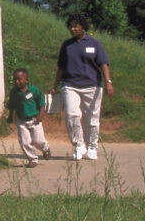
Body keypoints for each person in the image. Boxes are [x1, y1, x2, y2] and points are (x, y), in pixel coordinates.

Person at [49, 14, 114, 160]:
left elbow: (104, 63)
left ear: (83, 26)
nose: (72, 29)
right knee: (72, 115)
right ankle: (79, 145)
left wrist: (108, 82)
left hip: (93, 86)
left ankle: (92, 147)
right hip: (70, 85)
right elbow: (60, 67)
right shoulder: (67, 45)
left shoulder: (94, 43)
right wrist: (55, 86)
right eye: (70, 26)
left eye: (75, 26)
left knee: (92, 118)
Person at [7, 68, 51, 167]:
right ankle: (32, 159)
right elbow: (11, 106)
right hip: (21, 121)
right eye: (15, 79)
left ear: (26, 80)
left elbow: (42, 103)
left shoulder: (34, 90)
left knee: (38, 141)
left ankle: (45, 148)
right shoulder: (14, 93)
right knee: (25, 142)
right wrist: (10, 116)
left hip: (35, 119)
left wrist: (41, 115)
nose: (16, 81)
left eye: (19, 79)